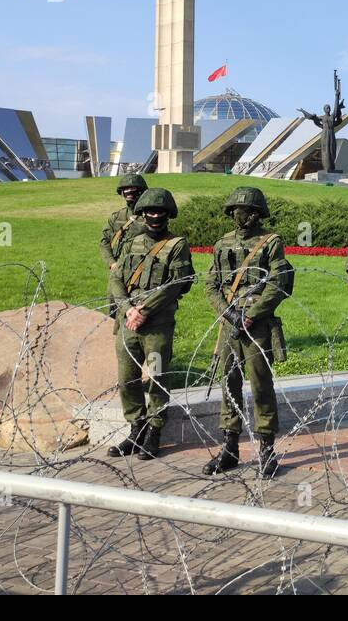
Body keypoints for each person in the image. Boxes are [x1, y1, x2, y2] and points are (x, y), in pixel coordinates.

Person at [202, 186, 294, 477]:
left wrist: (252, 315)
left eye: (254, 211)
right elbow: (211, 285)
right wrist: (228, 312)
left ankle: (266, 449)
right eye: (243, 211)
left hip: (258, 324)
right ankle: (229, 447)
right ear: (232, 212)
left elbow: (278, 283)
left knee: (260, 385)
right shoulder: (221, 244)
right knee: (229, 384)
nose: (248, 216)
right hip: (230, 324)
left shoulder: (270, 242)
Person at [107, 187, 194, 461]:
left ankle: (154, 431)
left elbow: (177, 283)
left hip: (157, 325)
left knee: (157, 377)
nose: (154, 216)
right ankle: (136, 427)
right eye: (150, 211)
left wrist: (145, 310)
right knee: (127, 379)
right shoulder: (132, 243)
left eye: (160, 211)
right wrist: (127, 309)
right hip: (129, 323)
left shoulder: (177, 245)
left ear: (168, 214)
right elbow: (116, 279)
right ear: (142, 214)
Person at [100, 173, 147, 322]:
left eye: (133, 190)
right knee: (113, 307)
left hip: (139, 273)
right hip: (117, 270)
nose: (128, 194)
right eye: (125, 191)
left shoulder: (150, 217)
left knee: (136, 309)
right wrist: (111, 262)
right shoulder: (117, 217)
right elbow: (104, 241)